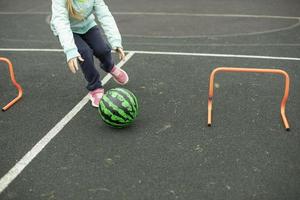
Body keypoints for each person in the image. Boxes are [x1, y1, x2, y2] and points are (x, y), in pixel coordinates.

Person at [50, 0, 128, 107]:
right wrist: (70, 50)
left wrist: (115, 41)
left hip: (87, 25)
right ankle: (95, 87)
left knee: (103, 50)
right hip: (68, 30)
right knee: (84, 53)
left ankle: (110, 67)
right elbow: (61, 22)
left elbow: (105, 16)